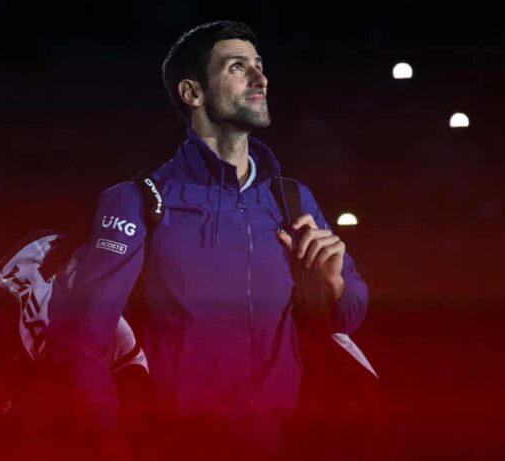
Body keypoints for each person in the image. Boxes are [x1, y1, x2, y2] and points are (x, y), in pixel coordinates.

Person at [42, 20, 369, 460]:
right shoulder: (139, 200)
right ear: (192, 93)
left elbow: (348, 316)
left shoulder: (291, 198)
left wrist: (333, 287)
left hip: (278, 439)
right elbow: (79, 339)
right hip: (173, 442)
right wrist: (108, 443)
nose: (260, 78)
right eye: (238, 67)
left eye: (259, 65)